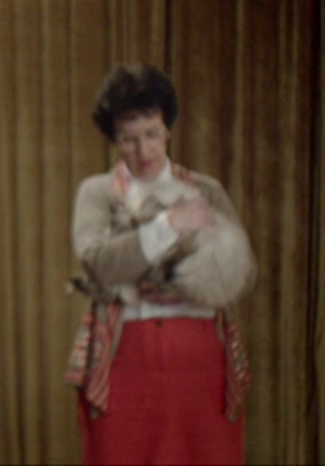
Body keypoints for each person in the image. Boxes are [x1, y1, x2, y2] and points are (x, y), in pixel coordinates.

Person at [64, 63, 256, 464]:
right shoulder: (97, 193)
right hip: (125, 358)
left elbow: (240, 273)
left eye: (152, 134)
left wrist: (183, 275)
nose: (143, 150)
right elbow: (99, 263)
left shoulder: (206, 190)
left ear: (168, 128)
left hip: (202, 359)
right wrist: (169, 225)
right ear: (113, 138)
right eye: (128, 139)